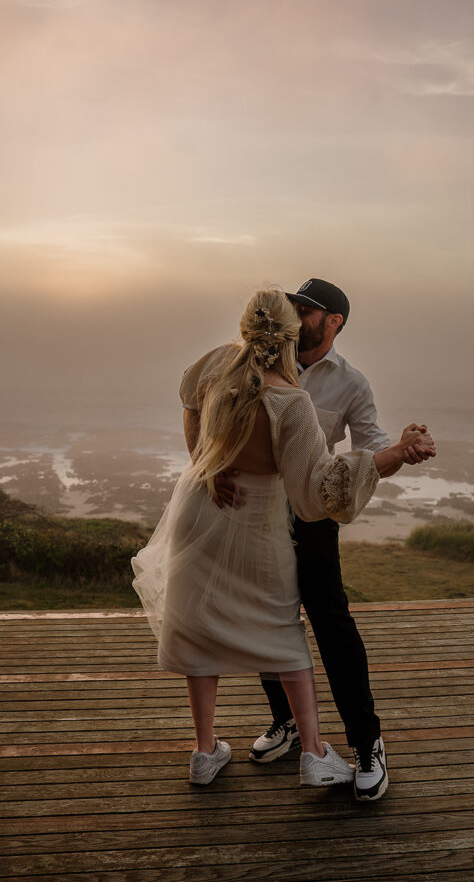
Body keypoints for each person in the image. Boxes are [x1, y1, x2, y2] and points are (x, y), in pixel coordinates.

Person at [132, 287, 433, 790]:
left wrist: (400, 450)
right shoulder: (271, 387)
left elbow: (363, 448)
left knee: (324, 620)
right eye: (293, 307)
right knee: (271, 623)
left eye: (308, 307)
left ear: (332, 321)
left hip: (277, 518)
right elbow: (317, 482)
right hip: (242, 508)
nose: (298, 313)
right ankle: (301, 737)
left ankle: (362, 743)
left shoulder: (346, 383)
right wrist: (206, 463)